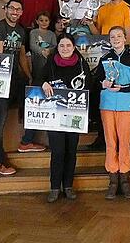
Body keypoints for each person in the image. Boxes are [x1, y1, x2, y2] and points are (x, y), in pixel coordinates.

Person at [93, 26, 130, 199]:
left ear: (125, 38)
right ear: (109, 40)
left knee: (124, 142)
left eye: (119, 36)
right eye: (112, 36)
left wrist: (123, 89)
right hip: (107, 104)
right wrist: (103, 84)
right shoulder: (105, 58)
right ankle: (113, 180)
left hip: (125, 105)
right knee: (110, 142)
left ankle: (124, 179)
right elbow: (97, 80)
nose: (115, 39)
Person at [40, 34, 92, 202]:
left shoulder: (81, 64)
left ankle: (68, 186)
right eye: (62, 46)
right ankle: (55, 187)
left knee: (71, 151)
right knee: (57, 151)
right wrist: (44, 83)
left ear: (74, 47)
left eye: (68, 46)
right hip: (55, 115)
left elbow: (89, 85)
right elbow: (38, 78)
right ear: (58, 47)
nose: (65, 49)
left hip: (75, 114)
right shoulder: (50, 61)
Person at [0, 0, 43, 156]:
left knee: (32, 104)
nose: (15, 12)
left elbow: (22, 54)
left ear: (22, 12)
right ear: (6, 9)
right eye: (12, 8)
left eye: (18, 9)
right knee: (0, 120)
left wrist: (28, 75)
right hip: (0, 79)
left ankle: (26, 141)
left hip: (16, 78)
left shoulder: (22, 31)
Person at [29, 11, 57, 85]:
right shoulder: (33, 32)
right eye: (41, 20)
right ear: (37, 21)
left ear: (49, 21)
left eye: (46, 20)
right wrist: (42, 51)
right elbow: (32, 45)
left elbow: (54, 46)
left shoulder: (52, 34)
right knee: (36, 78)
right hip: (36, 61)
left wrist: (49, 51)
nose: (44, 22)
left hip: (48, 60)